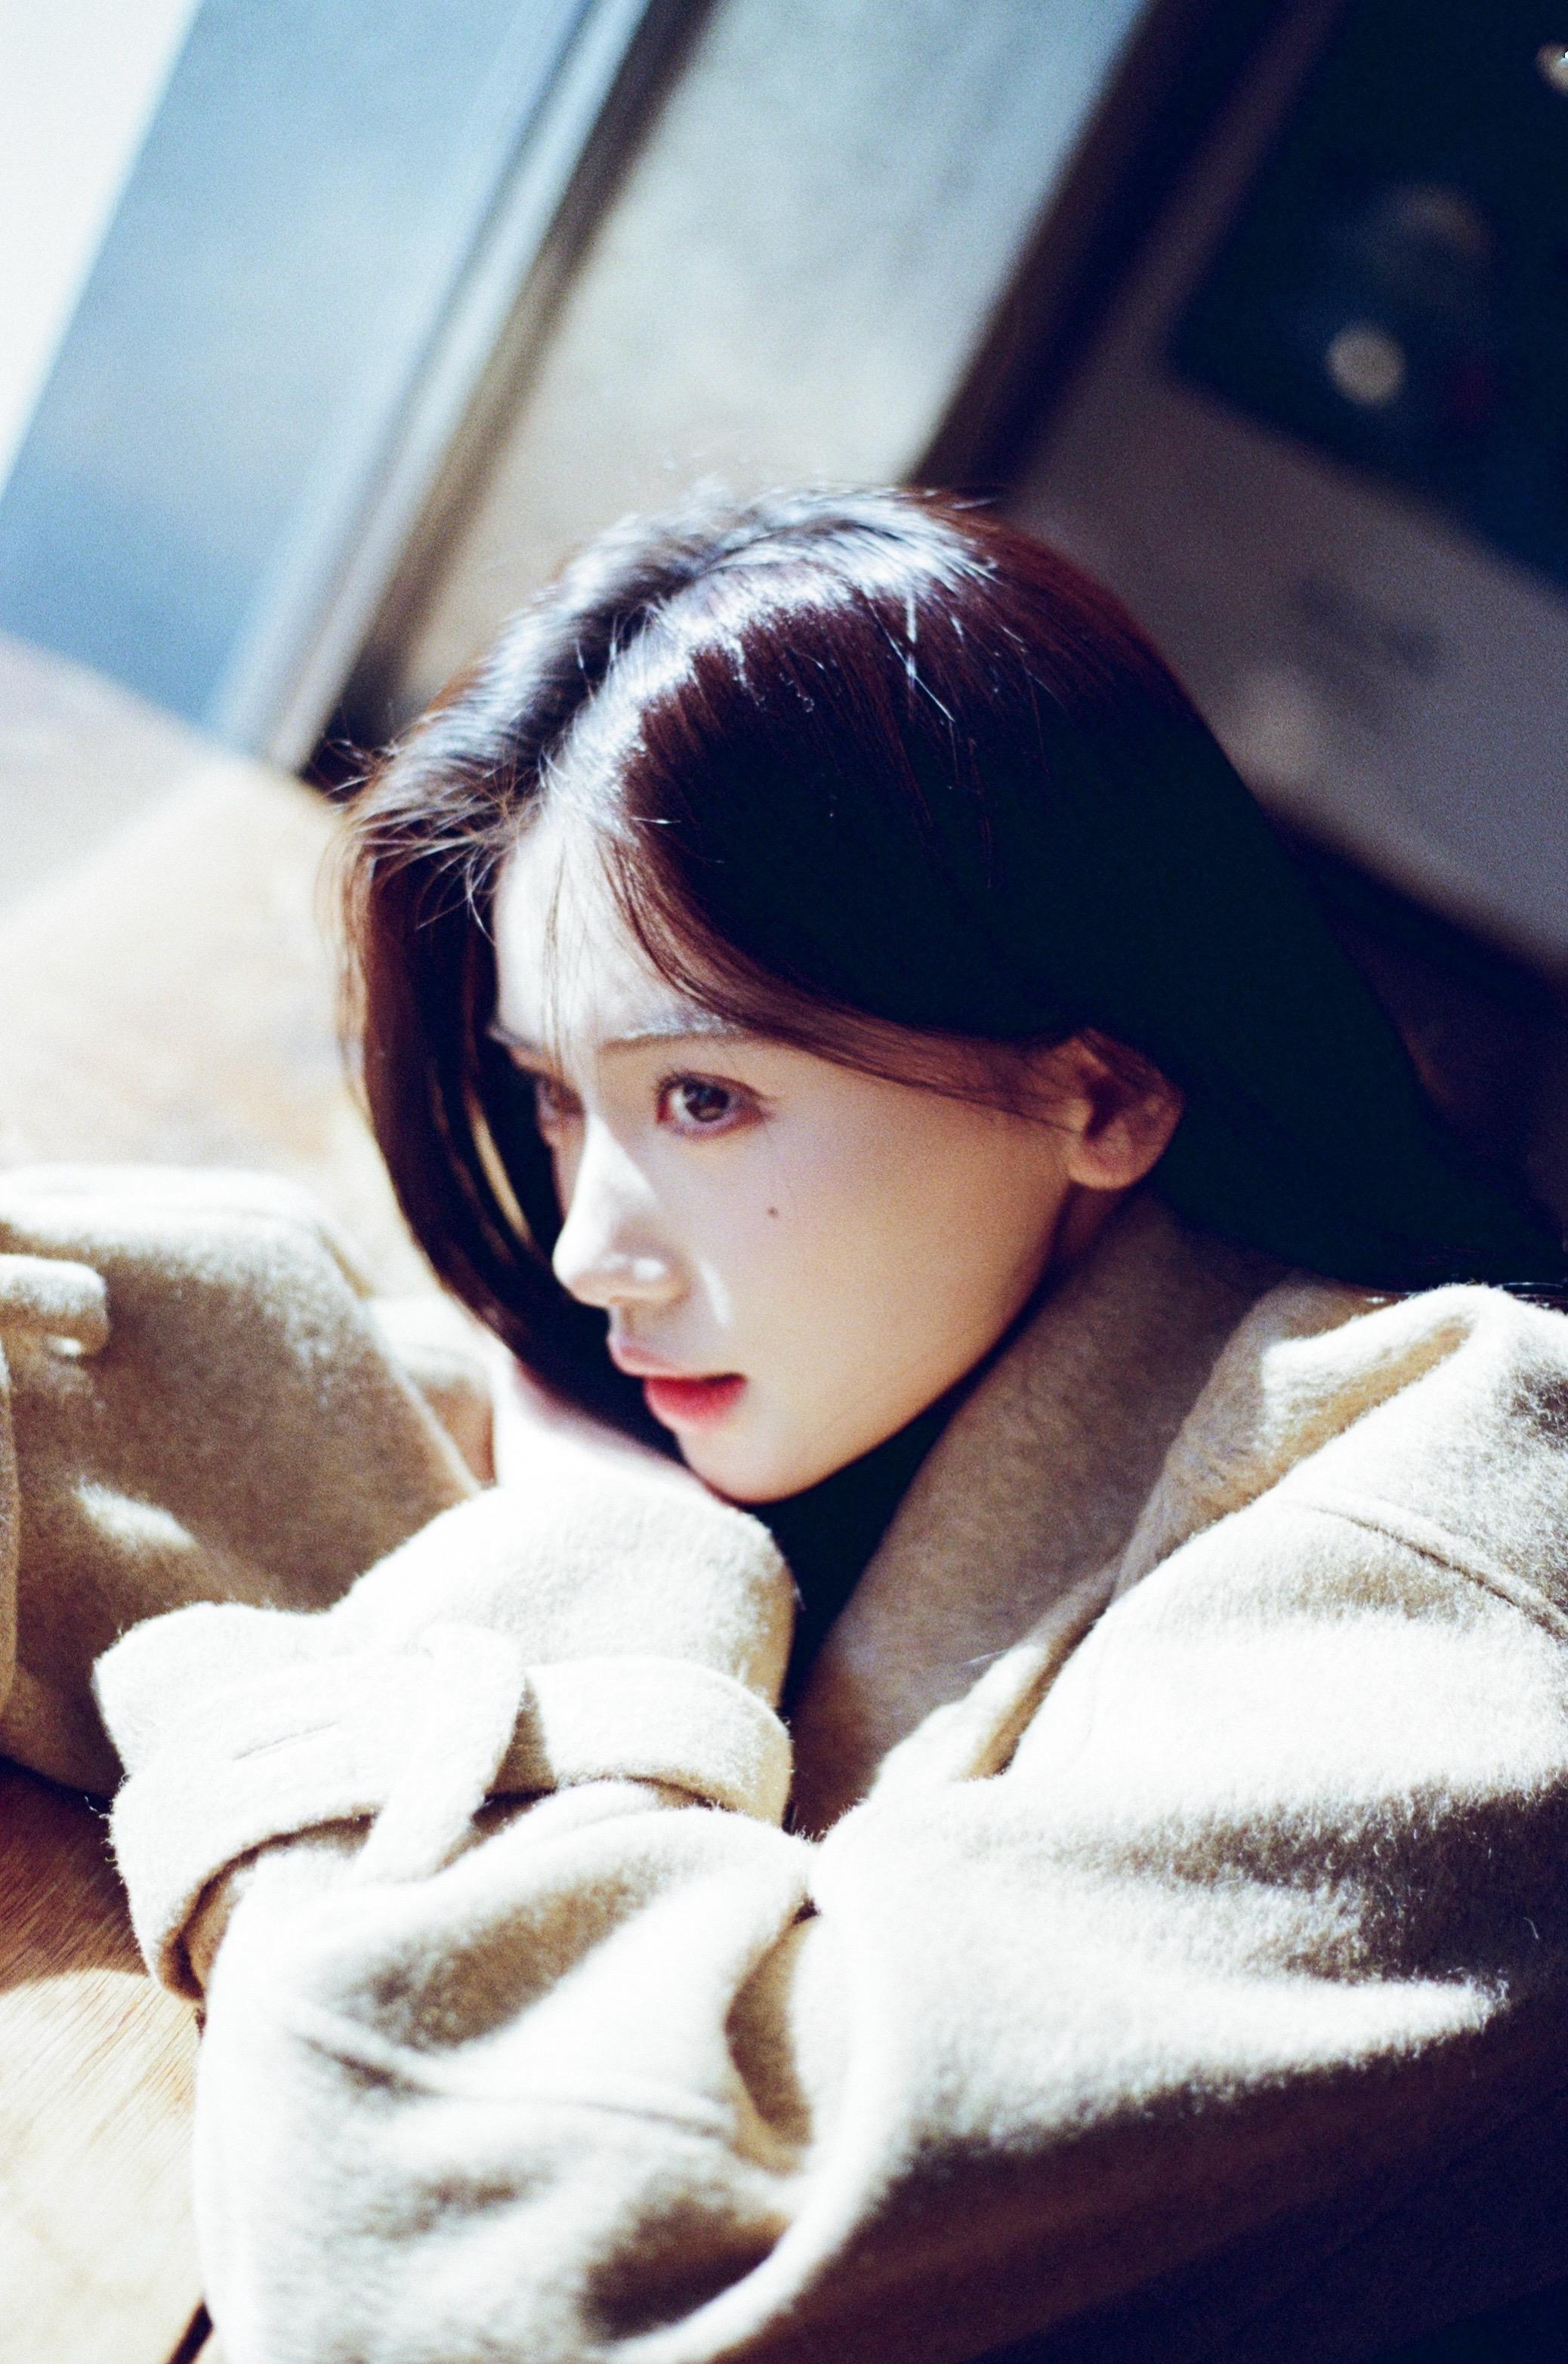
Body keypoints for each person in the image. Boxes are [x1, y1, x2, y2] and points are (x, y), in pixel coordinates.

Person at [84, 489, 1568, 2362]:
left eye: (705, 1097)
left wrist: (609, 1553)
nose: (589, 1244)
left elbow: (495, 2265)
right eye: (557, 1095)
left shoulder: (1477, 1536)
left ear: (1101, 1095)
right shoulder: (904, 1379)